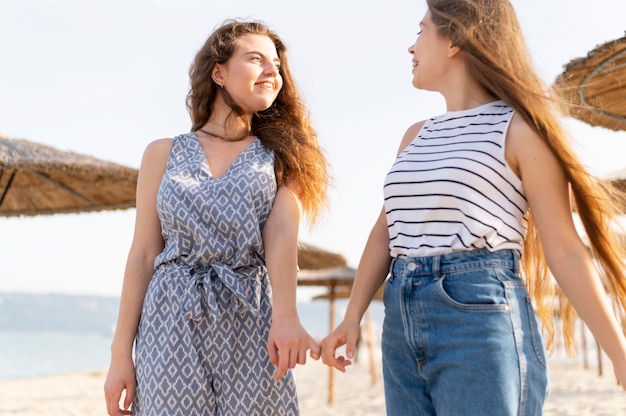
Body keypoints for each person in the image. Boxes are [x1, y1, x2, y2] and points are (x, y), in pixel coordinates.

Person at [320, 1, 626, 415]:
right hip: (400, 320)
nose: (411, 48)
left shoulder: (518, 130)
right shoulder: (416, 135)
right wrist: (352, 317)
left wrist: (619, 354)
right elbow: (385, 231)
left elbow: (566, 249)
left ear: (456, 39)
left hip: (478, 317)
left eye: (421, 30)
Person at [103, 19, 329, 416]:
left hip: (251, 319)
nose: (272, 71)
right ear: (218, 72)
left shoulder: (284, 157)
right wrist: (121, 354)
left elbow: (282, 236)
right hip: (170, 321)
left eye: (277, 65)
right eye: (256, 59)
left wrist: (287, 315)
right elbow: (142, 255)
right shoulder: (162, 153)